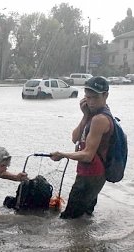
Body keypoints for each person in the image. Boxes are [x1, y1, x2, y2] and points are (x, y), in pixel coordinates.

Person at [50, 76, 114, 219]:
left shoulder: (100, 119)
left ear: (105, 95)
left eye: (95, 97)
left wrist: (62, 154)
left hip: (91, 175)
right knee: (84, 216)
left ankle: (79, 240)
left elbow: (87, 155)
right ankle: (85, 239)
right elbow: (74, 138)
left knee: (69, 218)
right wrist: (85, 116)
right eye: (87, 97)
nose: (90, 102)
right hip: (91, 173)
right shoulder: (92, 115)